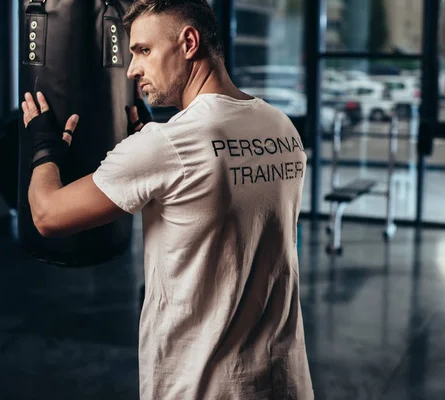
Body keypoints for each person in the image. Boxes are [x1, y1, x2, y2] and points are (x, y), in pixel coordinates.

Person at [20, 0, 314, 399]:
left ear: (188, 42)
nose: (131, 69)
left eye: (143, 50)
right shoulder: (282, 130)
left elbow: (47, 215)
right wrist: (145, 144)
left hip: (201, 386)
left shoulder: (168, 144)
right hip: (284, 382)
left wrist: (41, 145)